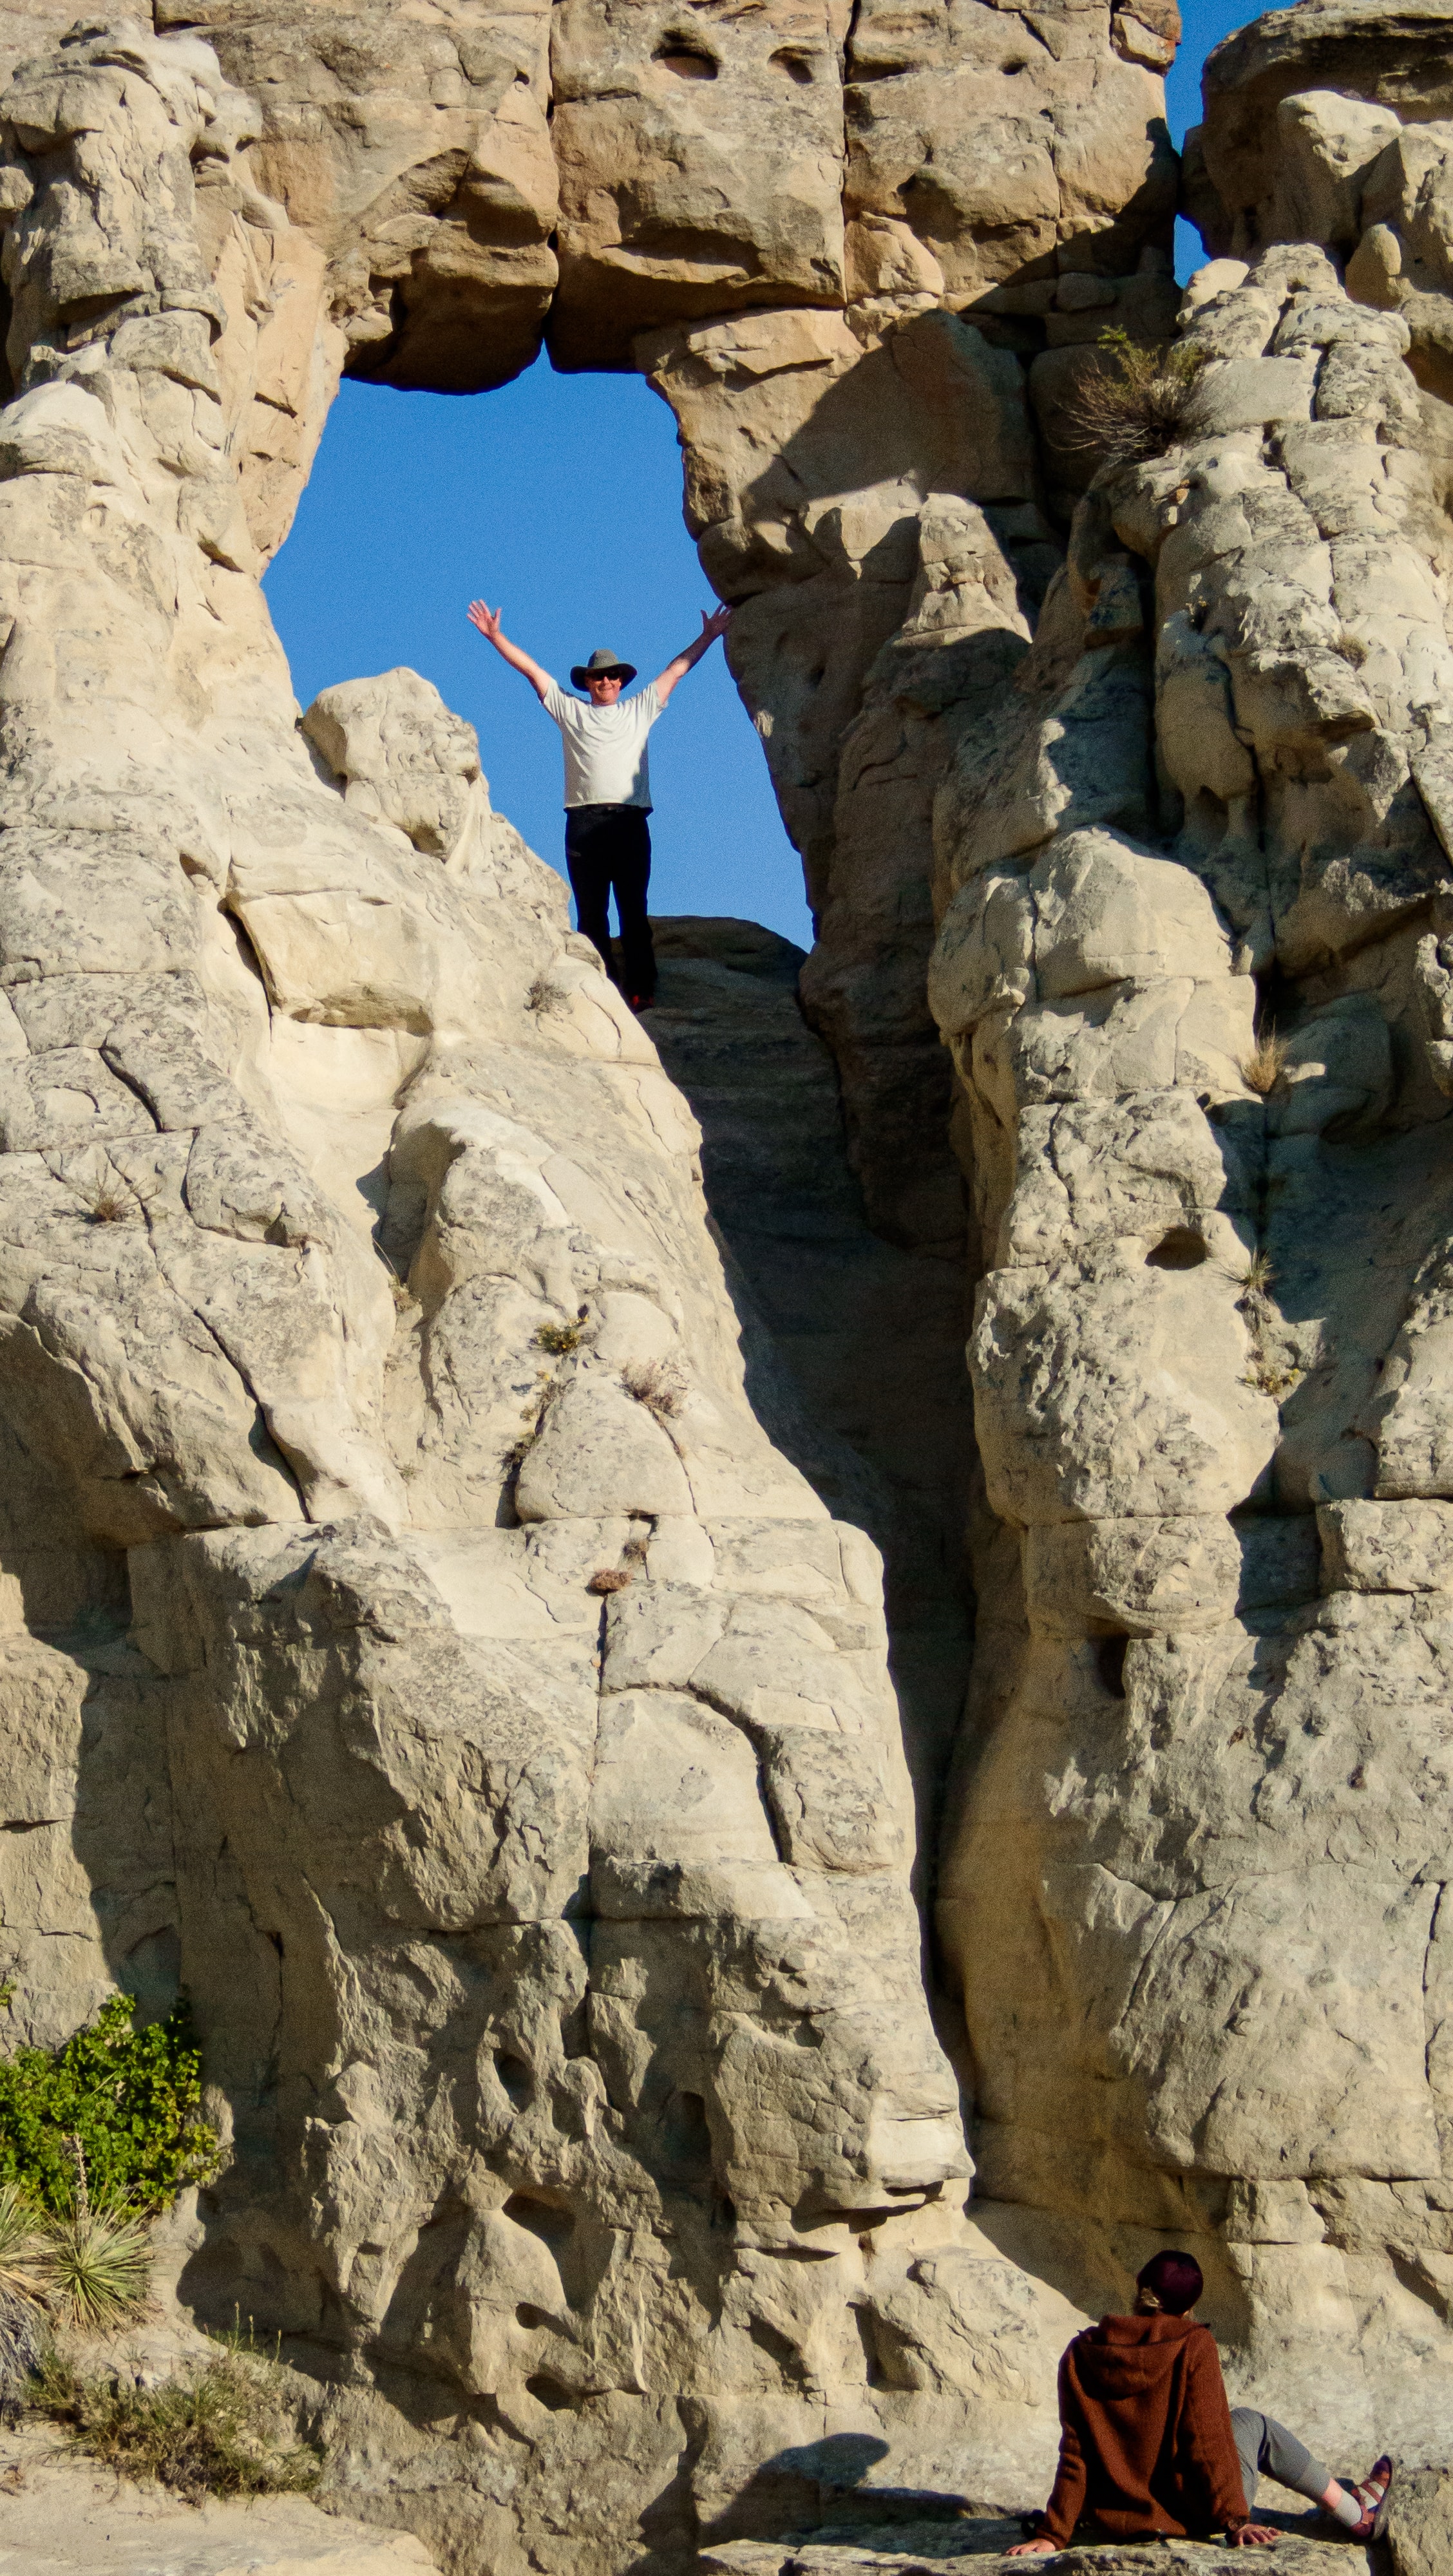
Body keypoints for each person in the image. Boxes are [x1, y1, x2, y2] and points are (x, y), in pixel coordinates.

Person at [1007, 2249, 1392, 2555]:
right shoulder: (1192, 2343)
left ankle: (1354, 2507)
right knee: (1252, 2424)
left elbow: (1075, 2451)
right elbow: (1205, 2442)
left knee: (1238, 2421)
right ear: (1190, 2306)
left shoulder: (1081, 2351)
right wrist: (1235, 2521)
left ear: (1140, 2287)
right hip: (1185, 2519)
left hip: (1113, 2520)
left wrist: (1054, 2533)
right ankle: (1356, 2514)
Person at [466, 600, 733, 1012]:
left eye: (611, 675)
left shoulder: (640, 709)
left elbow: (676, 671)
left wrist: (709, 636)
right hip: (584, 822)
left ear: (621, 681)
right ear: (587, 683)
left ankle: (641, 990)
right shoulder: (570, 711)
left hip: (629, 822)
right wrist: (496, 637)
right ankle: (602, 993)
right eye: (597, 676)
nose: (604, 681)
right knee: (591, 914)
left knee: (633, 910)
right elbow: (532, 671)